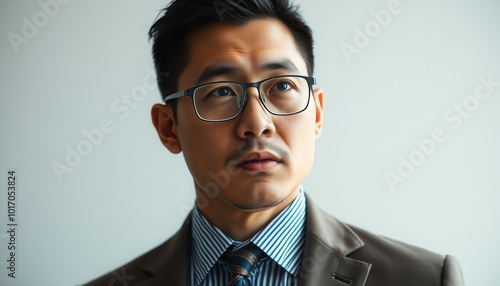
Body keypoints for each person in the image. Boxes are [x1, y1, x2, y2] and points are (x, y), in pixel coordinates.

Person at [84, 0, 465, 285]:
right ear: (169, 128)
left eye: (282, 86)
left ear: (316, 113)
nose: (256, 123)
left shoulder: (426, 278)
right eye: (219, 91)